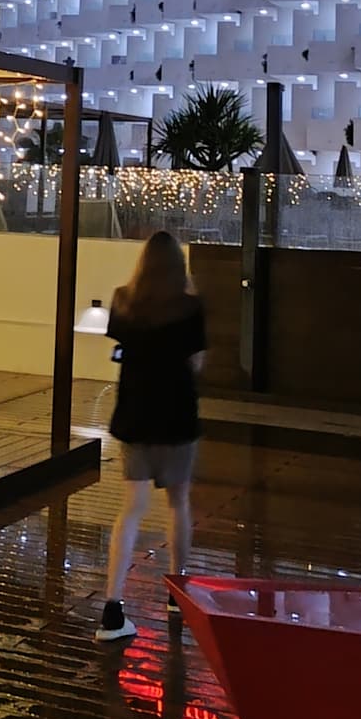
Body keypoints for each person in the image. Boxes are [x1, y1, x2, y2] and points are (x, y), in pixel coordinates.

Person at [97, 229, 205, 642]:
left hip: (134, 416)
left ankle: (112, 609)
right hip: (177, 417)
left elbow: (120, 351)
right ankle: (178, 593)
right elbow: (196, 363)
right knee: (178, 504)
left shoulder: (123, 299)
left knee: (131, 510)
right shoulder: (190, 305)